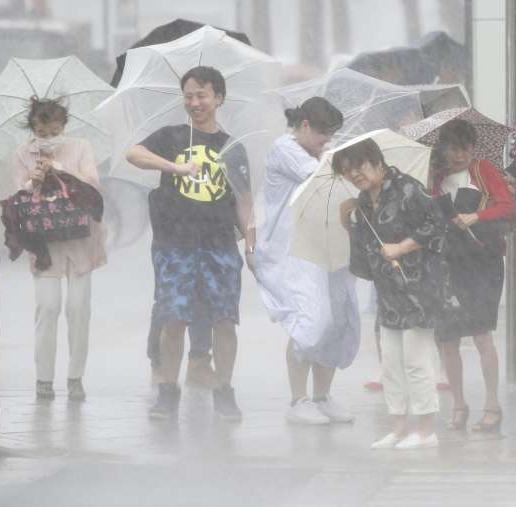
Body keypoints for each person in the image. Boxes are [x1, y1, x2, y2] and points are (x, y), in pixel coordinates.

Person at [126, 66, 253, 421]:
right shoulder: (172, 136)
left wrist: (252, 248)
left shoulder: (232, 147)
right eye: (189, 96)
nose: (195, 103)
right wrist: (175, 167)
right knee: (174, 319)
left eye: (202, 95)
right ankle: (168, 391)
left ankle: (224, 391)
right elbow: (134, 154)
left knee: (224, 320)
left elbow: (244, 202)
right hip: (174, 243)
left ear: (219, 98)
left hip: (219, 244)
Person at [337, 138, 454, 450]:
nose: (355, 174)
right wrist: (348, 224)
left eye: (359, 166)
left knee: (417, 360)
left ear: (377, 161)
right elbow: (364, 259)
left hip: (420, 288)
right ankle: (399, 428)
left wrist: (402, 247)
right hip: (388, 293)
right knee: (391, 362)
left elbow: (437, 226)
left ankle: (426, 430)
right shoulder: (362, 203)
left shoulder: (408, 189)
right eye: (347, 171)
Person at [255, 97, 360, 425]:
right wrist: (341, 161)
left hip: (330, 245)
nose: (326, 141)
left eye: (331, 135)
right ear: (303, 126)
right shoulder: (284, 148)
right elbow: (320, 179)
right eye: (322, 134)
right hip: (295, 251)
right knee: (311, 321)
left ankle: (322, 397)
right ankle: (297, 400)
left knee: (338, 319)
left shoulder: (321, 153)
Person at [10, 97, 106, 402]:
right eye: (42, 132)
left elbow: (93, 184)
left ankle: (75, 377)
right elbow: (18, 198)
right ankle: (44, 378)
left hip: (80, 238)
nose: (48, 137)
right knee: (48, 307)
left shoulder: (80, 147)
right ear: (33, 128)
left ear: (64, 126)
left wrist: (60, 168)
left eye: (54, 131)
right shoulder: (22, 154)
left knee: (79, 309)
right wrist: (32, 181)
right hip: (45, 241)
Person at [429, 120, 513, 432]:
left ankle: (492, 404)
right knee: (447, 337)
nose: (460, 155)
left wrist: (477, 216)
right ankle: (459, 404)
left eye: (466, 148)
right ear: (443, 149)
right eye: (453, 148)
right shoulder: (435, 178)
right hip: (448, 263)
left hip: (482, 262)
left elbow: (506, 205)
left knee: (481, 334)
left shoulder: (484, 170)